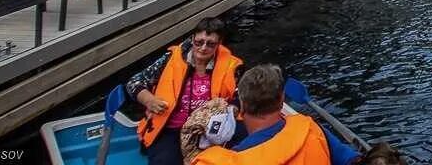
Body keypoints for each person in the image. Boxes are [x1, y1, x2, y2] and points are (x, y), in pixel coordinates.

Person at [127, 17, 243, 165]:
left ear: (219, 44)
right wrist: (149, 100)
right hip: (170, 129)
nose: (203, 48)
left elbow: (242, 95)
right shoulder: (170, 59)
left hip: (209, 131)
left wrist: (231, 108)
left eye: (210, 44)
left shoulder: (233, 66)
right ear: (192, 38)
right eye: (199, 42)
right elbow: (134, 82)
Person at [195, 63, 360, 165]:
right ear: (281, 100)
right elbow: (352, 159)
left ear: (242, 104)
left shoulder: (226, 160)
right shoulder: (312, 130)